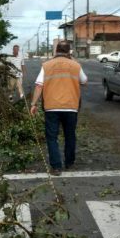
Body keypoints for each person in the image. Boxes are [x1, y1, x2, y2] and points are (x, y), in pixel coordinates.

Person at [29, 40, 87, 175]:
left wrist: (33, 104)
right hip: (71, 106)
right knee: (70, 135)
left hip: (51, 107)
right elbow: (84, 81)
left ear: (56, 50)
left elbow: (39, 85)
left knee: (52, 137)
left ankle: (56, 167)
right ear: (69, 51)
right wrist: (74, 61)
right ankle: (69, 162)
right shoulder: (76, 65)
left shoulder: (47, 65)